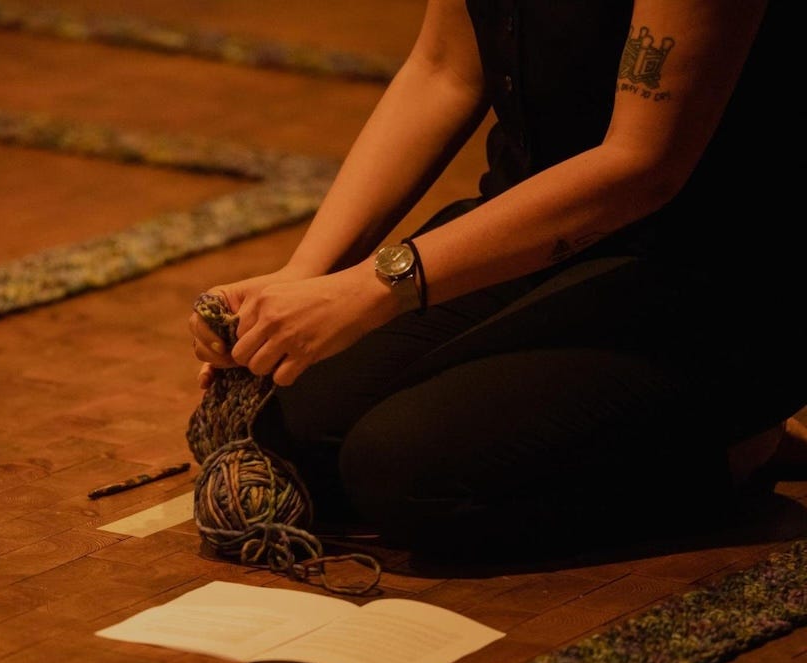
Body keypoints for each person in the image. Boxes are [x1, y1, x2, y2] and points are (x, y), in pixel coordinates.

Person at [188, 0, 807, 559]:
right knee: (289, 427)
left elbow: (641, 166)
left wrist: (371, 289)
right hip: (525, 236)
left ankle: (732, 448)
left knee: (408, 477)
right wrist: (304, 276)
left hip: (711, 272)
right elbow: (443, 69)